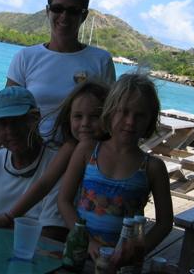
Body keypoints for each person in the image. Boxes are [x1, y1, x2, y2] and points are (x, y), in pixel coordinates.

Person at [0, 0, 116, 196]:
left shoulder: (100, 61)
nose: (64, 16)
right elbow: (4, 112)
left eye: (73, 11)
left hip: (80, 161)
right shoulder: (26, 57)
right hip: (29, 157)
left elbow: (110, 118)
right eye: (58, 8)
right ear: (48, 11)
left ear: (84, 16)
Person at [58, 73, 173, 267]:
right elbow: (64, 201)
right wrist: (87, 241)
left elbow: (165, 223)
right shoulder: (87, 150)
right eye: (124, 112)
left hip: (123, 266)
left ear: (150, 120)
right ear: (110, 112)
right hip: (79, 255)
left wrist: (137, 251)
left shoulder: (153, 168)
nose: (130, 121)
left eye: (140, 115)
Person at [0, 79, 110, 228]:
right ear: (69, 117)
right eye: (78, 116)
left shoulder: (113, 150)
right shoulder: (70, 148)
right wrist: (9, 216)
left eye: (95, 116)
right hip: (83, 230)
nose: (85, 123)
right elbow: (44, 185)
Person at [0, 86, 67, 241]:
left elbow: (53, 234)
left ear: (35, 118)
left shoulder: (57, 166)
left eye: (17, 121)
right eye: (2, 123)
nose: (10, 131)